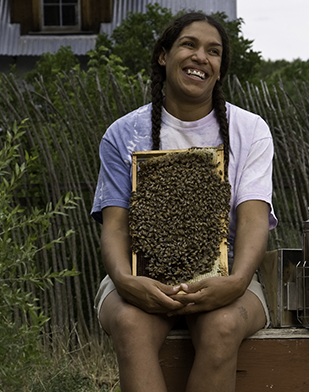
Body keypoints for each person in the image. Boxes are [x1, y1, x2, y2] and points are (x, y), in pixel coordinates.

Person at [91, 12, 277, 392]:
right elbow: (115, 226)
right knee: (130, 324)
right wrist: (127, 282)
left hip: (225, 279)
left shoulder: (250, 130)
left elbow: (254, 219)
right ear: (164, 55)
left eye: (213, 51)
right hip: (140, 280)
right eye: (189, 45)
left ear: (220, 69)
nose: (200, 57)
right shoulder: (123, 134)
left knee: (223, 326)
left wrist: (238, 281)